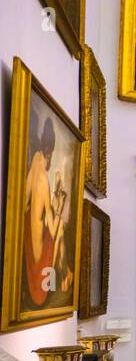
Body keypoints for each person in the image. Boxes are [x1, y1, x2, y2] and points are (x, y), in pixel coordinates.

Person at [22, 116, 71, 307]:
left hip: (27, 243)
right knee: (60, 231)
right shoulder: (43, 179)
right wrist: (58, 205)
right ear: (49, 153)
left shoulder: (34, 162)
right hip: (37, 271)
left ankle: (66, 272)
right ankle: (65, 275)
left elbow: (25, 204)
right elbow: (52, 229)